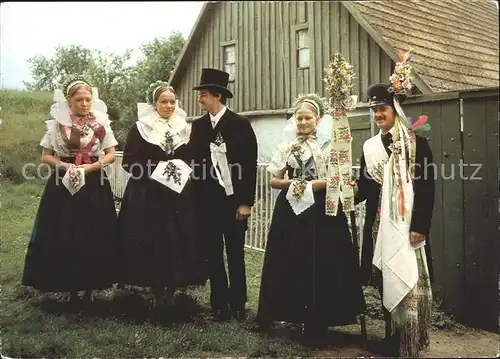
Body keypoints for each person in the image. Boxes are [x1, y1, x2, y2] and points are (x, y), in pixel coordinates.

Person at [256, 93, 366, 346]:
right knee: (292, 258)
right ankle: (291, 313)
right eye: (299, 118)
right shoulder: (287, 147)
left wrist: (321, 184)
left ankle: (319, 320)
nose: (303, 122)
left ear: (318, 120)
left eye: (308, 118)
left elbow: (337, 177)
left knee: (321, 258)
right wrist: (293, 184)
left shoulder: (328, 147)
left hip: (321, 210)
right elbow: (273, 179)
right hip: (292, 210)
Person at [356, 76, 435, 356]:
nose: (378, 115)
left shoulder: (416, 144)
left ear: (395, 109)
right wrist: (347, 194)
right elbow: (365, 185)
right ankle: (392, 334)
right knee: (384, 277)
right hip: (378, 224)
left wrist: (420, 227)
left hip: (407, 224)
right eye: (374, 110)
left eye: (383, 109)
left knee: (407, 278)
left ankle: (408, 337)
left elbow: (426, 188)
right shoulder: (369, 147)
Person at [22, 77, 119, 304]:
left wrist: (92, 167)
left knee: (93, 230)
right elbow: (45, 155)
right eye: (79, 100)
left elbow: (111, 154)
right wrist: (64, 166)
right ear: (69, 101)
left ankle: (90, 288)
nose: (84, 104)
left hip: (94, 181)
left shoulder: (101, 124)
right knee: (66, 230)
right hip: (63, 183)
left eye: (88, 99)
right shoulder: (57, 125)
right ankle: (69, 287)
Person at [117, 81, 207, 311]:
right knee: (153, 239)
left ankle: (173, 290)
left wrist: (181, 167)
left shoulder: (185, 128)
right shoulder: (141, 128)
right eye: (163, 102)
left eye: (171, 102)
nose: (168, 106)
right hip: (149, 194)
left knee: (176, 240)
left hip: (178, 195)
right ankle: (155, 291)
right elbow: (129, 161)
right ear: (154, 104)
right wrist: (156, 167)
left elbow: (195, 158)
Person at [189, 68, 258, 321]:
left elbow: (249, 166)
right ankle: (219, 305)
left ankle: (238, 304)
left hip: (233, 203)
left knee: (235, 253)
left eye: (203, 94)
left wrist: (245, 203)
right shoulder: (198, 127)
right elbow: (194, 163)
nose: (200, 99)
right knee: (212, 252)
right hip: (207, 204)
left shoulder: (240, 125)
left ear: (217, 95)